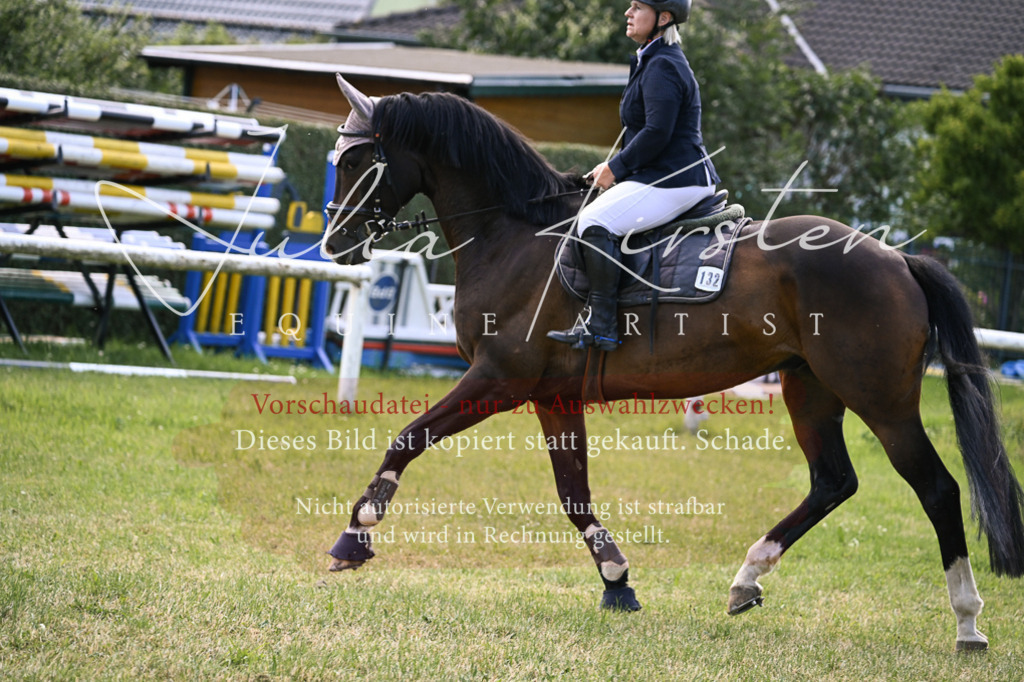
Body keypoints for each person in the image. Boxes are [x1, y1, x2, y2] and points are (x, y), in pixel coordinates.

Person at [548, 0, 720, 351]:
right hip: (659, 175)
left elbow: (657, 133)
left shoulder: (664, 66)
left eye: (638, 6)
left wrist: (615, 168)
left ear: (664, 17)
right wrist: (614, 167)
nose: (628, 12)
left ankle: (603, 327)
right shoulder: (650, 60)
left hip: (676, 178)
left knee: (594, 222)